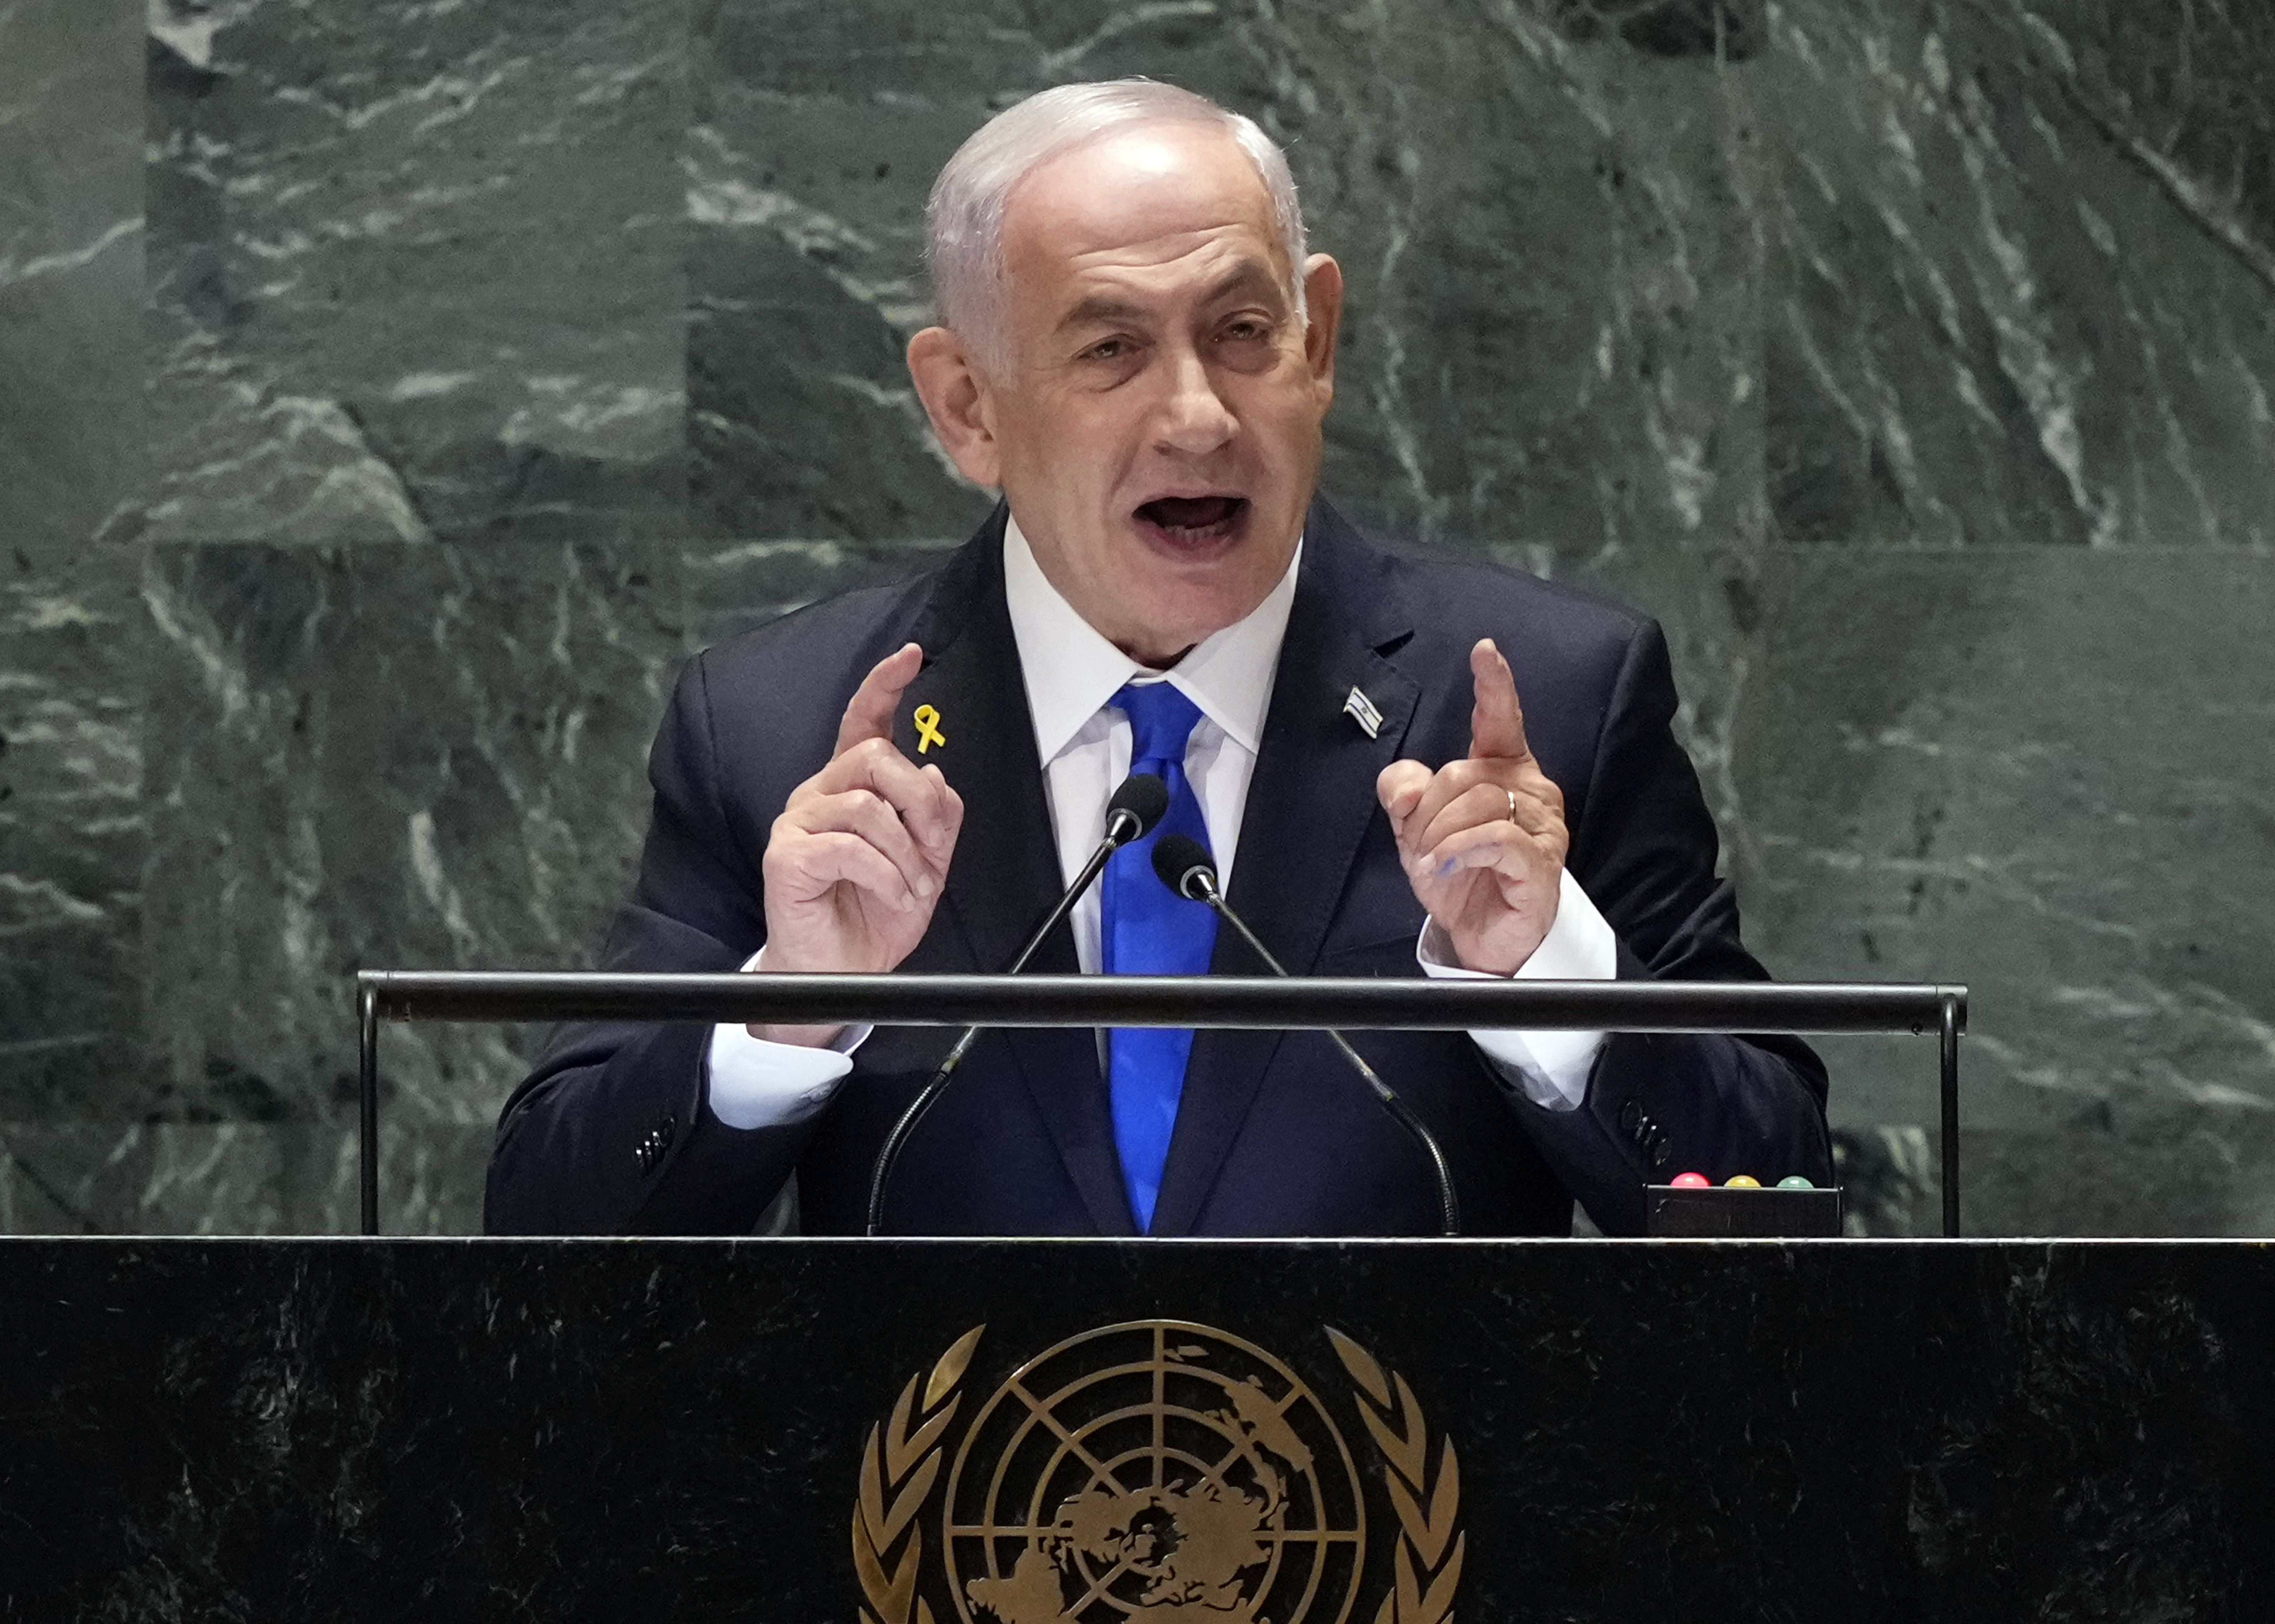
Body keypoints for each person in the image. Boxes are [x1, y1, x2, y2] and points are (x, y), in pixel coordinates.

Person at [484, 80, 1830, 1238]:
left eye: (1244, 334)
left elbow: (1781, 1196)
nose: (1197, 415)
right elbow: (541, 1244)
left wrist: (1545, 973)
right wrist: (784, 1009)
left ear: (1319, 339)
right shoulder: (778, 733)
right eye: (1112, 348)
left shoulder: (1554, 702)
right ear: (967, 406)